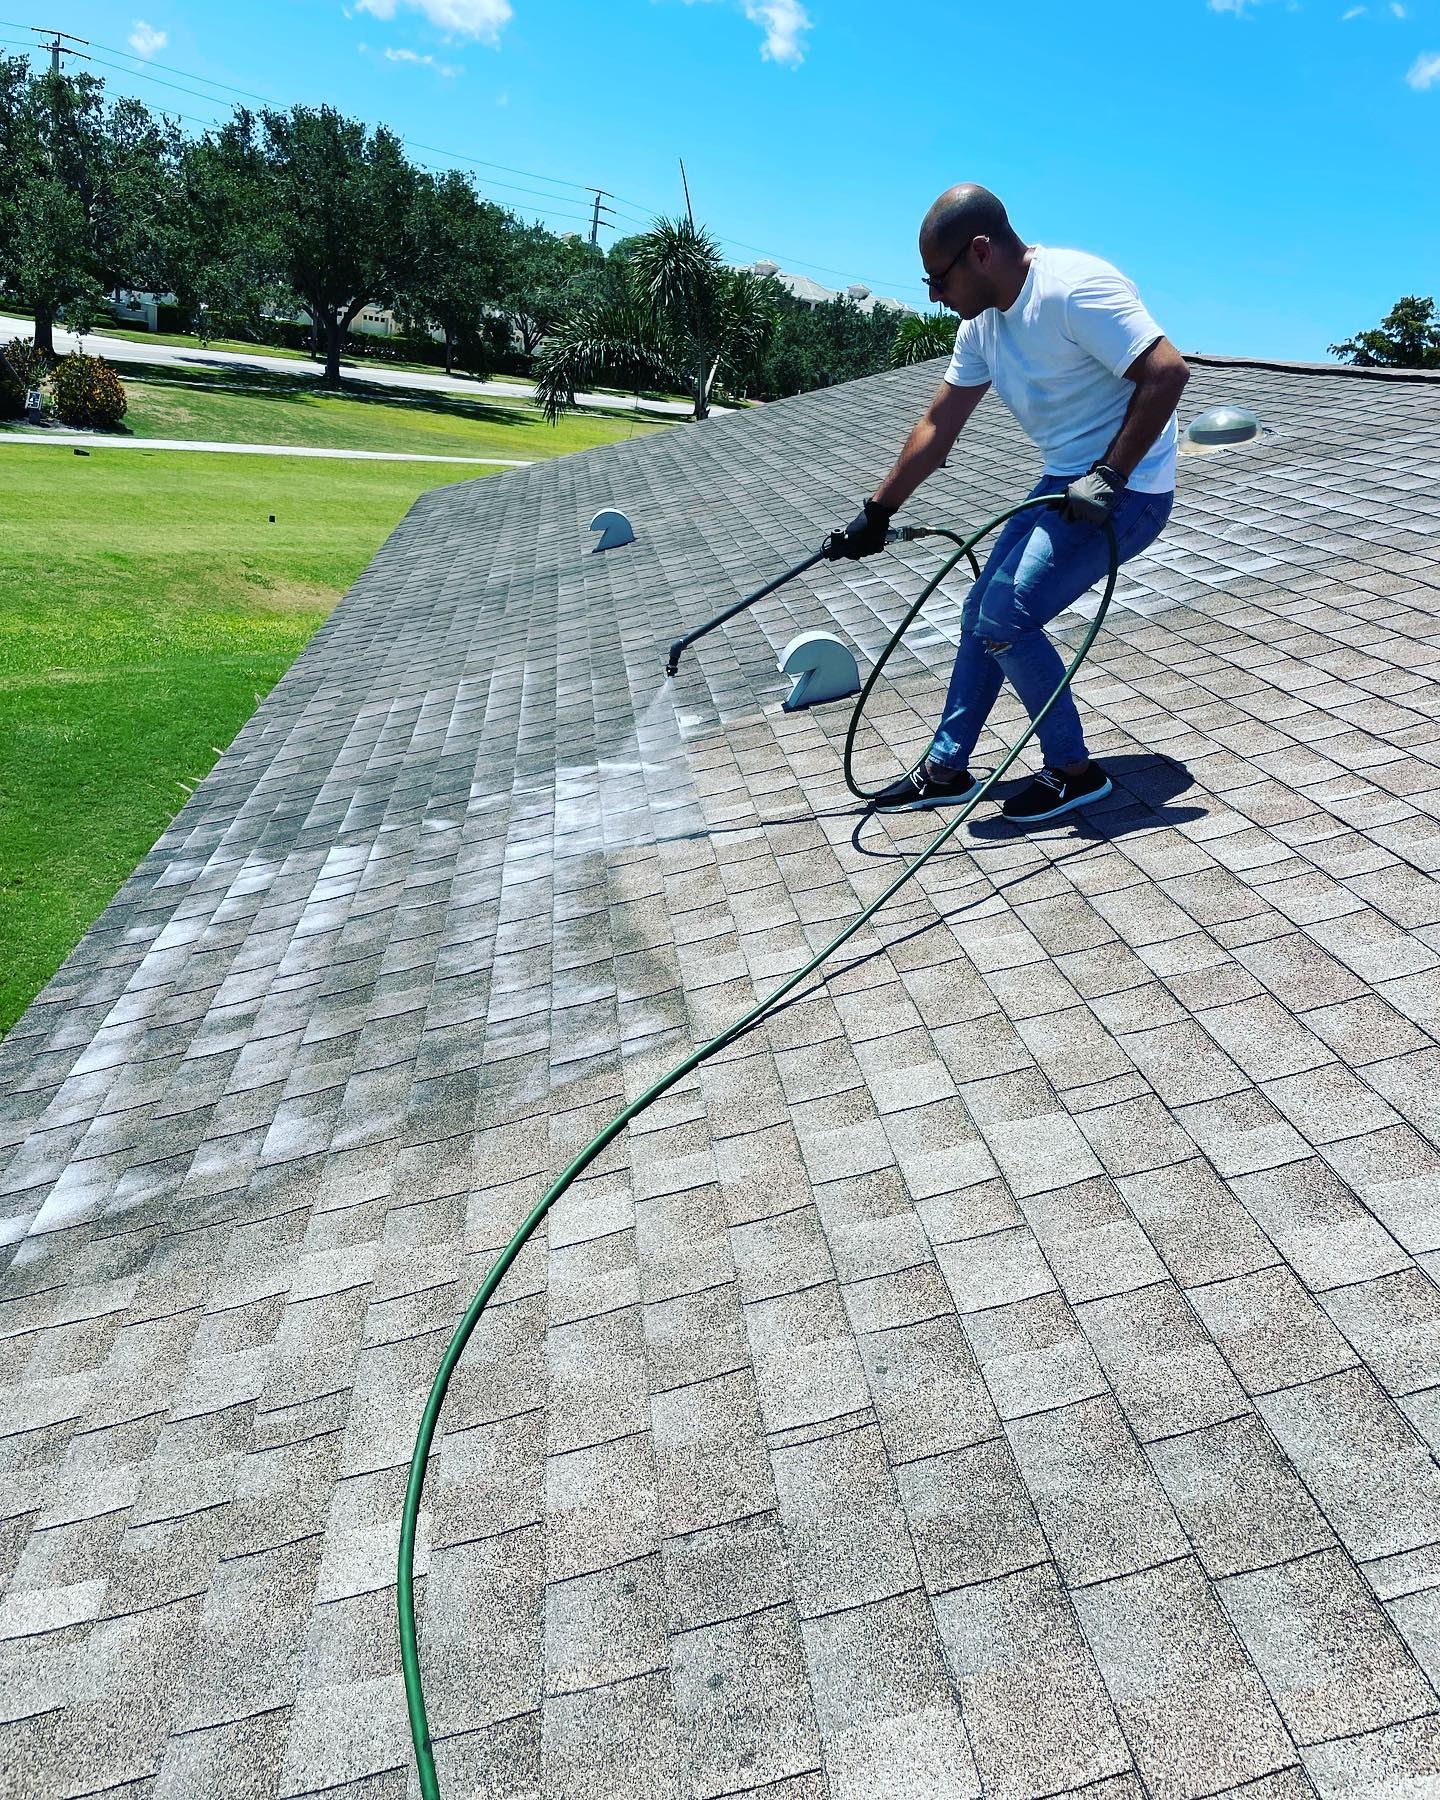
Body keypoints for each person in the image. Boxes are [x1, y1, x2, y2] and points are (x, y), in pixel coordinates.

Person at [826, 183, 1189, 823]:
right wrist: (877, 513)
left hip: (1127, 490)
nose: (934, 295)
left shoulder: (1073, 288)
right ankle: (945, 769)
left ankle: (1074, 772)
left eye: (939, 277)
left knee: (1006, 618)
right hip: (1064, 481)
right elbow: (938, 428)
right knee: (980, 610)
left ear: (981, 252)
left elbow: (1167, 372)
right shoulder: (982, 325)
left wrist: (1109, 475)